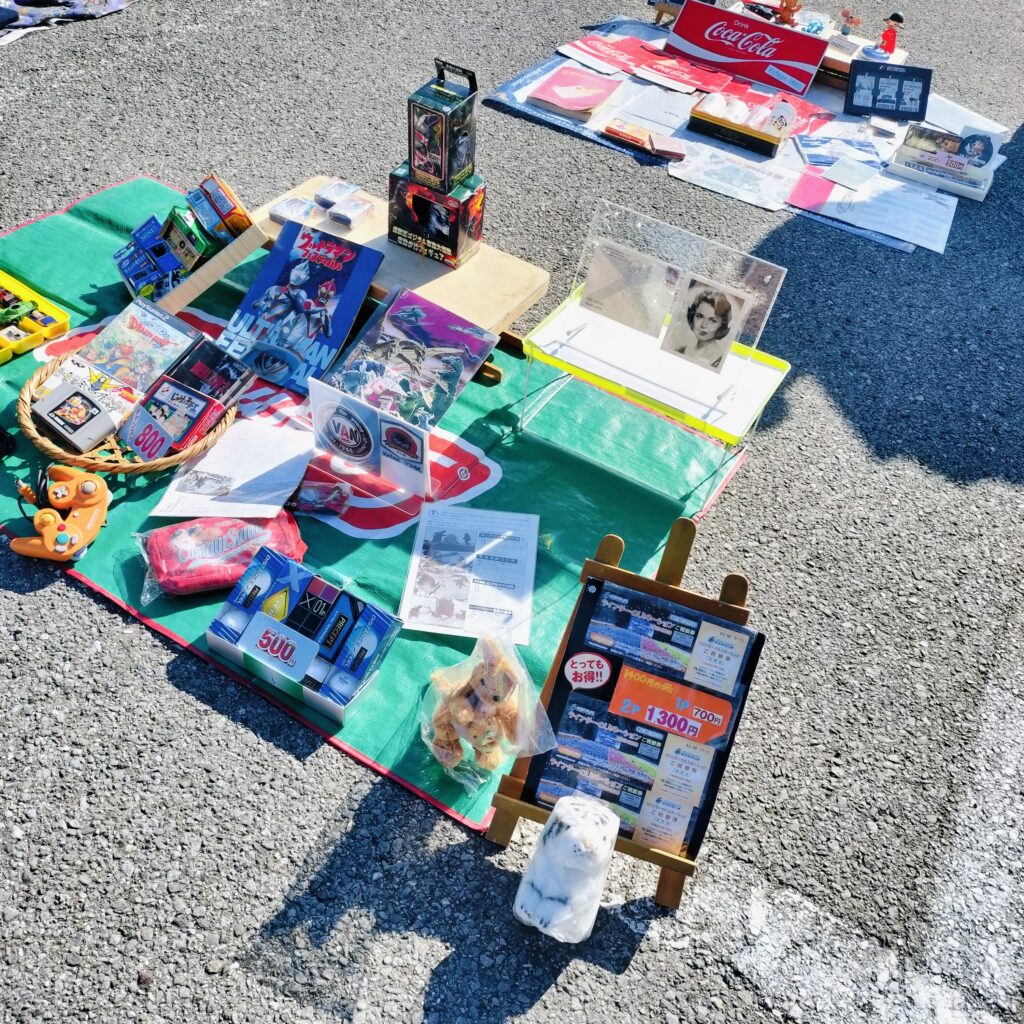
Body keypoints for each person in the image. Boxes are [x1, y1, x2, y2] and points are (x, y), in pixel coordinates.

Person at [679, 288, 734, 370]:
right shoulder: (680, 350)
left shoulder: (723, 361)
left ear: (722, 325)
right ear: (692, 316)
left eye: (713, 320)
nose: (704, 325)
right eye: (700, 316)